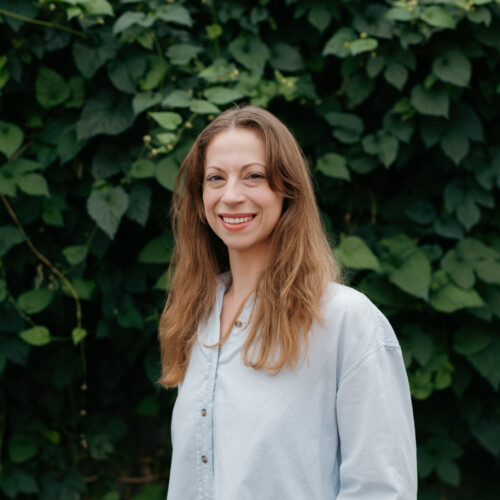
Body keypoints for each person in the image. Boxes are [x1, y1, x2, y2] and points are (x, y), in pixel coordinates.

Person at [158, 105, 417, 499]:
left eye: (254, 176)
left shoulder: (345, 320)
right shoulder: (196, 316)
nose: (231, 196)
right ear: (199, 198)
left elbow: (382, 489)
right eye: (215, 178)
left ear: (288, 191)